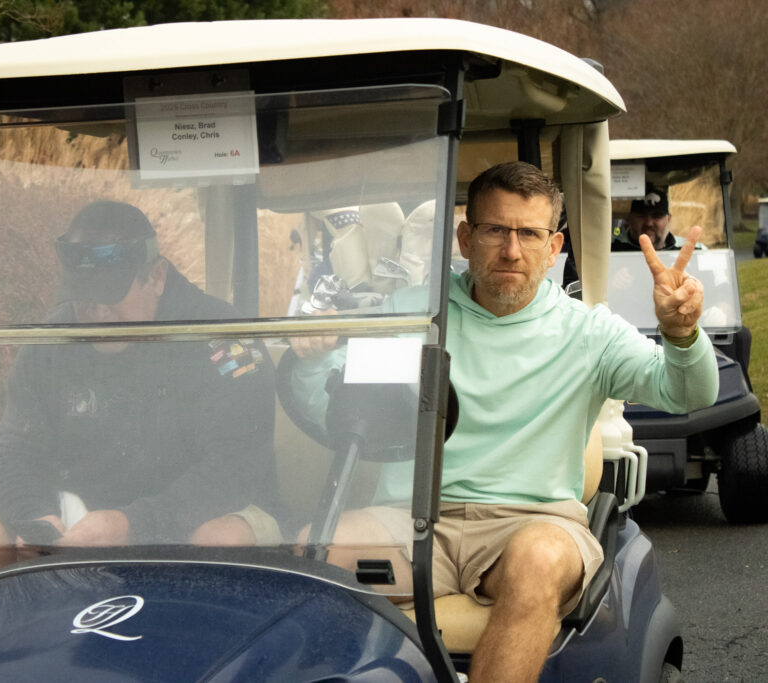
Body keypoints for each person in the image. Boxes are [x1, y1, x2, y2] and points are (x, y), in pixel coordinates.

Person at [289, 162, 719, 683]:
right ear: (466, 239)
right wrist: (312, 358)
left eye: (529, 234)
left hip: (534, 520)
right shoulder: (414, 316)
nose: (512, 250)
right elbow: (326, 406)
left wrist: (681, 335)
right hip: (414, 519)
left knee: (538, 561)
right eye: (496, 230)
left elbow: (688, 392)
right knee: (315, 550)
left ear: (553, 247)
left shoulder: (588, 332)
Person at [0, 200, 281, 582]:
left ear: (156, 277)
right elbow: (14, 450)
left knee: (218, 542)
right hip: (82, 514)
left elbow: (233, 471)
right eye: (84, 296)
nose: (97, 312)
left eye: (110, 294)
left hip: (204, 511)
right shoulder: (51, 342)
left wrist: (133, 525)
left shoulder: (224, 338)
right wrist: (36, 519)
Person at [612, 185, 678, 250]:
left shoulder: (679, 254)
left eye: (657, 216)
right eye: (641, 216)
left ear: (668, 219)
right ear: (629, 219)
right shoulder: (613, 253)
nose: (649, 223)